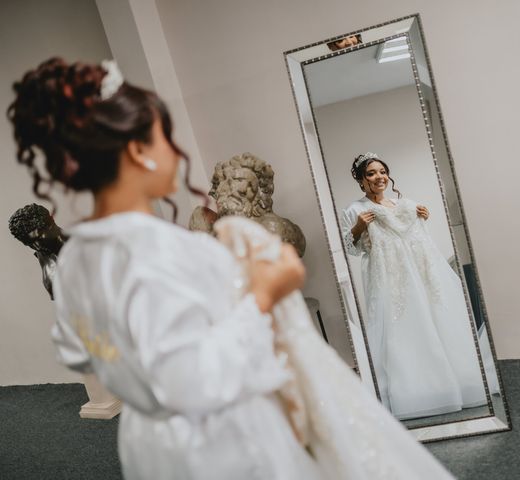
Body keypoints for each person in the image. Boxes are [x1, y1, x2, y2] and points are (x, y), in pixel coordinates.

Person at [8, 59, 453, 479]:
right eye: (163, 138)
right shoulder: (114, 258)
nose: (176, 152)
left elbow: (98, 346)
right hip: (206, 438)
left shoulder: (134, 244)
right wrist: (264, 295)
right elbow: (166, 379)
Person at [340, 152, 487, 419]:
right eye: (371, 173)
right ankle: (412, 392)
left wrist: (422, 218)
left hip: (419, 274)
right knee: (399, 329)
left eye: (382, 171)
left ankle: (454, 385)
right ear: (361, 181)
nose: (379, 177)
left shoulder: (406, 205)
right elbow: (349, 249)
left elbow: (419, 242)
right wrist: (358, 228)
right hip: (387, 277)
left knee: (435, 319)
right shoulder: (355, 210)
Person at [8, 203, 68, 299]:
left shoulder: (85, 248)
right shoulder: (42, 253)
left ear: (51, 224)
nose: (37, 246)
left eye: (38, 238)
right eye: (29, 243)